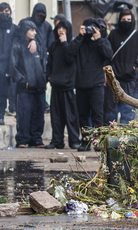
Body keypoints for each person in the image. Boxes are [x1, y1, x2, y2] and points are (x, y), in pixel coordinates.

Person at [69, 17, 113, 151]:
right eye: (88, 28)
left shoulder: (102, 42)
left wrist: (99, 38)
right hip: (81, 84)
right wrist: (80, 36)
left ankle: (98, 141)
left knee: (97, 115)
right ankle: (85, 141)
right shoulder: (80, 42)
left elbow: (109, 54)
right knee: (82, 115)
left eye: (92, 28)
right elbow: (69, 52)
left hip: (97, 85)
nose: (90, 31)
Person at [105, 10, 138, 123]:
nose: (126, 22)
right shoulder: (113, 34)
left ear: (133, 20)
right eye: (123, 19)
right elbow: (106, 54)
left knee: (128, 113)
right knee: (110, 113)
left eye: (129, 20)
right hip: (113, 79)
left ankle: (124, 139)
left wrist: (136, 65)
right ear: (119, 20)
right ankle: (110, 137)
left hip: (130, 80)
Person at [10, 20, 47, 148]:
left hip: (39, 86)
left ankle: (36, 138)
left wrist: (43, 80)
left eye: (35, 30)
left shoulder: (39, 46)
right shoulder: (17, 45)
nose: (34, 32)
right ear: (25, 30)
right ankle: (22, 139)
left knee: (38, 113)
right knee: (24, 114)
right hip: (25, 87)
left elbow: (44, 64)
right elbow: (13, 66)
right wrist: (23, 81)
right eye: (31, 30)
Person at [45, 19, 80, 150]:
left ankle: (74, 140)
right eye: (59, 28)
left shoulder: (72, 44)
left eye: (63, 28)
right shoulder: (54, 45)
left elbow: (70, 59)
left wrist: (65, 43)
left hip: (69, 86)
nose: (61, 30)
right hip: (56, 85)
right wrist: (49, 75)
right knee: (56, 117)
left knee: (71, 116)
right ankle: (57, 141)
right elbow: (50, 63)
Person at [0, 3, 18, 125]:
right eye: (3, 11)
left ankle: (1, 114)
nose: (6, 13)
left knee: (3, 92)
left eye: (8, 11)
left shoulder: (14, 29)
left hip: (8, 66)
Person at [25, 3, 54, 72]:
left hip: (42, 58)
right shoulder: (26, 22)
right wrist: (32, 40)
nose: (39, 18)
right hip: (28, 56)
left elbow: (51, 44)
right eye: (37, 15)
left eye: (41, 16)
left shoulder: (47, 26)